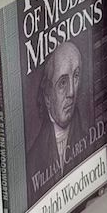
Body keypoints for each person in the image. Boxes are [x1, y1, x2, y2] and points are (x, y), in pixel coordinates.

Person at [31, 38, 84, 177]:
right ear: (47, 97)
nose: (71, 92)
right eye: (63, 83)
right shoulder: (33, 160)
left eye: (76, 76)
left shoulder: (89, 135)